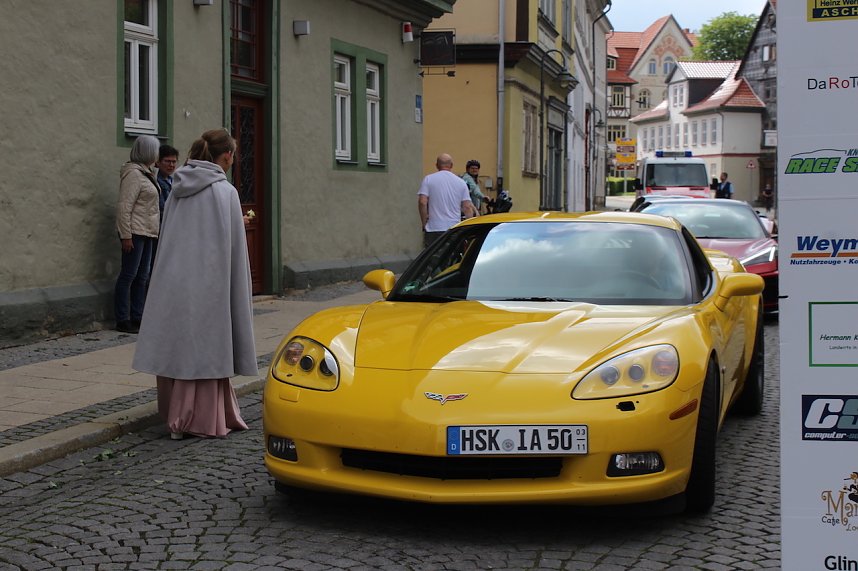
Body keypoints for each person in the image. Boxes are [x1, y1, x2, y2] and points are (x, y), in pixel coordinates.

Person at [132, 128, 256, 440]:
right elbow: (231, 252)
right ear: (227, 156)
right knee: (207, 346)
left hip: (177, 280)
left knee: (180, 344)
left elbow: (171, 235)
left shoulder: (177, 187)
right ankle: (199, 417)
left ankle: (176, 414)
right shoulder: (225, 192)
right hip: (211, 284)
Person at [114, 135, 161, 334]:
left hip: (148, 231)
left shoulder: (146, 173)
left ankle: (138, 316)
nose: (157, 154)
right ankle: (123, 318)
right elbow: (124, 206)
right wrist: (126, 235)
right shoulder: (133, 174)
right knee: (129, 275)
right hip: (135, 232)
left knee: (143, 276)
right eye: (155, 150)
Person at [418, 153, 476, 248]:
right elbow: (467, 207)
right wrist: (468, 227)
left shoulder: (428, 179)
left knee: (433, 255)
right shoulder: (461, 182)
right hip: (454, 228)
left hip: (433, 228)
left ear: (437, 165)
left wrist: (424, 223)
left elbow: (422, 202)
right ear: (451, 165)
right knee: (452, 255)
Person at [151, 145, 179, 271]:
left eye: (174, 162)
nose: (171, 165)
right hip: (159, 230)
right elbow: (162, 208)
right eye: (167, 161)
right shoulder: (156, 181)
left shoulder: (173, 181)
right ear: (158, 162)